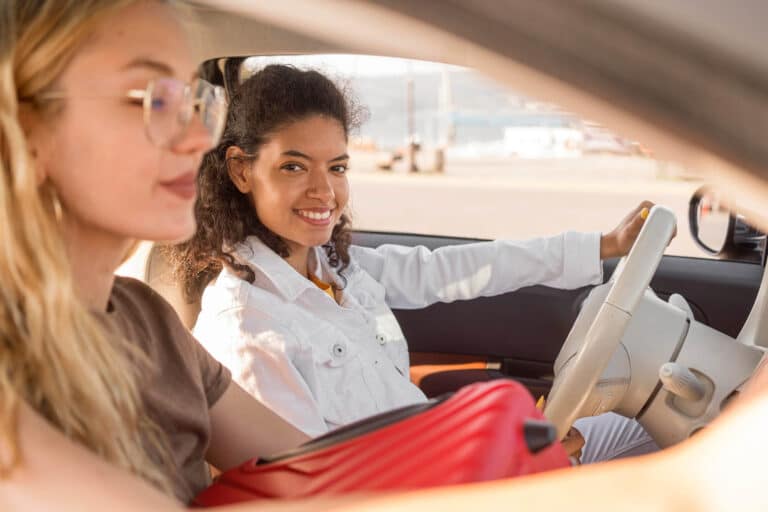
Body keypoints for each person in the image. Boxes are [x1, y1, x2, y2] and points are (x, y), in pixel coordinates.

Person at [170, 64, 657, 462]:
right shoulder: (247, 330)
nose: (325, 191)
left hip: (452, 460)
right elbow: (321, 487)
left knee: (655, 418)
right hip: (442, 486)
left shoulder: (334, 267)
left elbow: (460, 268)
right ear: (240, 170)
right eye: (294, 167)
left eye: (337, 167)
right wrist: (513, 468)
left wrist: (603, 245)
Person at [0, 1, 315, 508]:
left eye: (194, 100)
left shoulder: (147, 318)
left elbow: (312, 469)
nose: (196, 138)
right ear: (24, 128)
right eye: (154, 98)